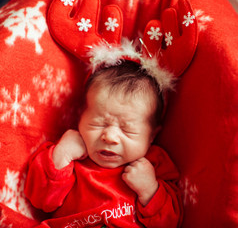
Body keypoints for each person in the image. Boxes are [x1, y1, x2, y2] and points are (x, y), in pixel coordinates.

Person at [24, 60, 182, 228]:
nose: (110, 137)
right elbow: (40, 200)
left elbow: (170, 223)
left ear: (151, 136)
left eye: (127, 130)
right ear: (80, 120)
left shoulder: (154, 165)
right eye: (97, 124)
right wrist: (61, 155)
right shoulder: (70, 157)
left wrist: (150, 190)